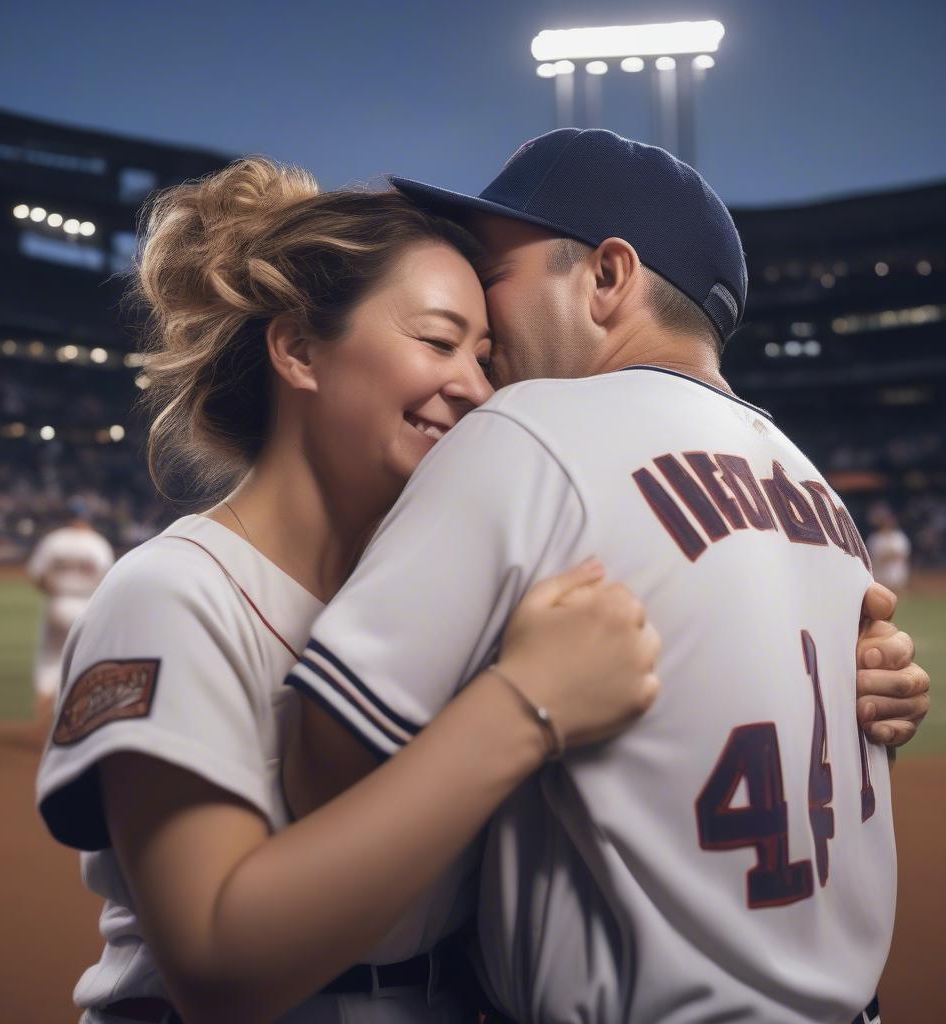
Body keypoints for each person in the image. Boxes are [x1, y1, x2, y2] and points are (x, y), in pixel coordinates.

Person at [283, 130, 932, 1024]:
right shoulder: (821, 498)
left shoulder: (529, 431)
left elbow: (325, 768)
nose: (478, 299)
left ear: (607, 277)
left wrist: (516, 699)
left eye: (491, 269)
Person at [36, 158, 662, 1024]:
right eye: (439, 342)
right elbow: (220, 968)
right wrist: (525, 708)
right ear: (298, 349)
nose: (477, 389)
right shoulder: (171, 594)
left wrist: (837, 665)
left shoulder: (448, 595)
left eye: (485, 358)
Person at [28, 499, 115, 730]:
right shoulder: (98, 543)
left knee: (49, 657)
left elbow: (37, 576)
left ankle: (47, 697)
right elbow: (107, 582)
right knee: (83, 659)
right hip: (86, 607)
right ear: (87, 518)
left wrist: (54, 591)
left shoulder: (54, 541)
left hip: (58, 603)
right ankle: (72, 713)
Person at [868, 508, 912, 593]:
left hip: (897, 574)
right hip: (881, 576)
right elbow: (874, 557)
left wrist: (888, 555)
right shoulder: (875, 538)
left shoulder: (899, 537)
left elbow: (903, 555)